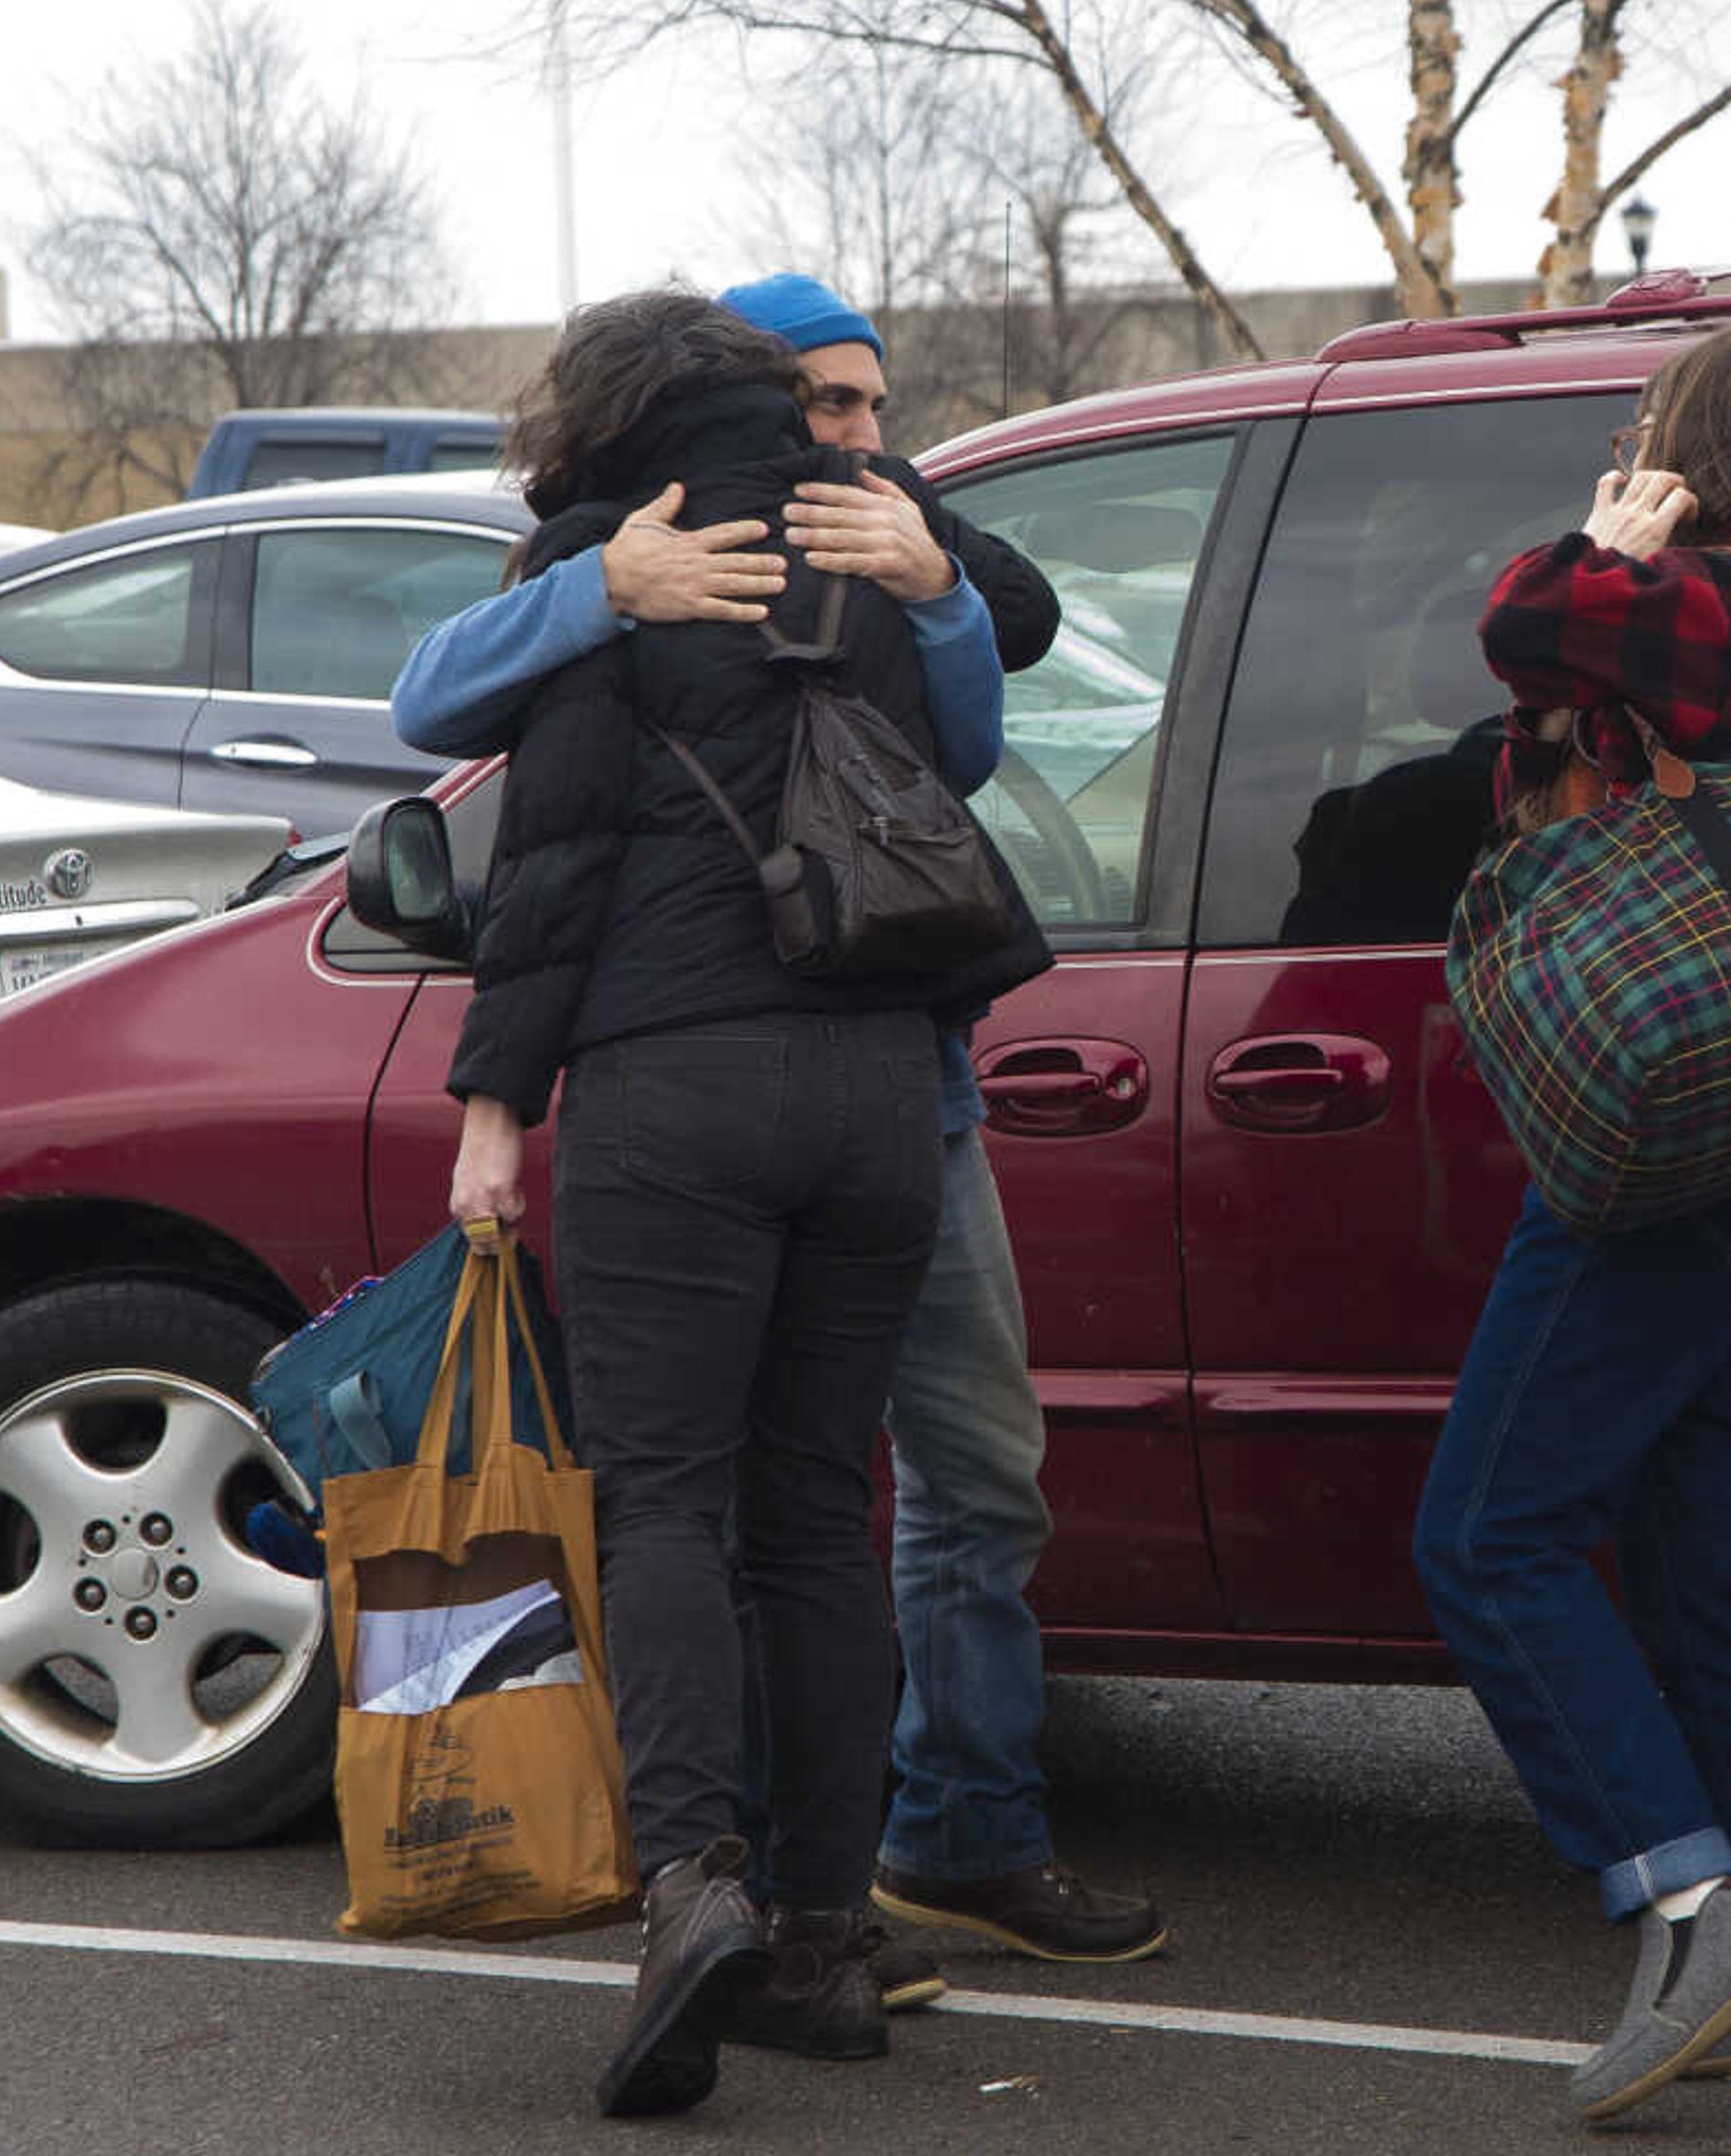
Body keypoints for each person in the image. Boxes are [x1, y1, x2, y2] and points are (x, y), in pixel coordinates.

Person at [391, 273, 1165, 2019]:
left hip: (681, 1080)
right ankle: (824, 1934)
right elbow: (961, 763)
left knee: (667, 1498)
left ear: (600, 416)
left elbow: (510, 810)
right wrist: (936, 591)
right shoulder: (868, 535)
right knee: (825, 1509)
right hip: (887, 1081)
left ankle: (691, 1892)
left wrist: (601, 587)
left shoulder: (620, 556)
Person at [1410, 327, 1731, 2123]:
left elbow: (1524, 621)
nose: (1626, 448)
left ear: (1707, 444)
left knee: (1485, 1531)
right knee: (1700, 1548)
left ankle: (1697, 1902)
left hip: (1670, 1122)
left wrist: (1614, 538)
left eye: (1646, 429)